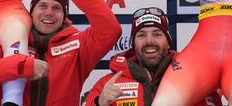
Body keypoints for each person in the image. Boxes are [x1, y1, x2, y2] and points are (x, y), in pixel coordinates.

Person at [84, 7, 221, 106]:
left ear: (168, 43)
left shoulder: (193, 78)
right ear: (133, 43)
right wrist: (99, 104)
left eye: (157, 34)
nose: (149, 41)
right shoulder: (108, 84)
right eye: (141, 35)